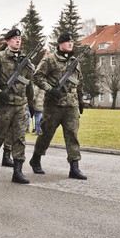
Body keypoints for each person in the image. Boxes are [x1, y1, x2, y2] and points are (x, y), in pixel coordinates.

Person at [0, 29, 35, 184]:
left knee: (20, 138)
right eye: (14, 38)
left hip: (21, 105)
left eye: (19, 38)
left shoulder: (25, 60)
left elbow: (29, 82)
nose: (18, 41)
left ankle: (18, 171)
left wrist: (32, 103)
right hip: (4, 105)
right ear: (7, 41)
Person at [29, 33, 87, 180]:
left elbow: (78, 81)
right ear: (60, 44)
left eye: (72, 41)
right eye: (67, 41)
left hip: (71, 105)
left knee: (72, 135)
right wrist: (50, 89)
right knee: (46, 135)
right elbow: (37, 77)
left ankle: (74, 167)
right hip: (53, 105)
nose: (70, 43)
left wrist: (80, 100)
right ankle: (36, 158)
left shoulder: (75, 61)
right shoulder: (50, 59)